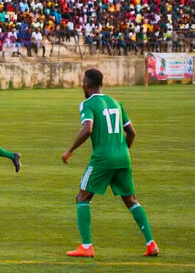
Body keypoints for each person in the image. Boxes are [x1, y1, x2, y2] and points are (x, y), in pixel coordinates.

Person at [62, 69, 159, 258]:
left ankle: (87, 247)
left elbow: (87, 129)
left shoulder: (87, 104)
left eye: (83, 81)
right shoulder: (116, 102)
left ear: (87, 85)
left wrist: (70, 150)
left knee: (82, 198)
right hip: (123, 157)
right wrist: (122, 152)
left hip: (103, 158)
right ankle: (151, 244)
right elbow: (131, 133)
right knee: (131, 200)